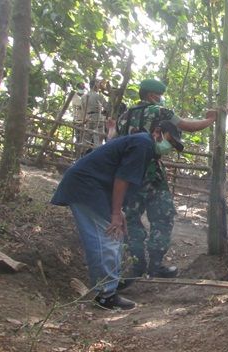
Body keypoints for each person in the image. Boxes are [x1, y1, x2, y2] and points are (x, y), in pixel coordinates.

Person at [51, 121, 184, 310]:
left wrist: (118, 209)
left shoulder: (142, 144)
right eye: (170, 141)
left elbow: (118, 175)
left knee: (115, 236)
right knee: (107, 237)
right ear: (157, 132)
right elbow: (122, 178)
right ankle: (105, 295)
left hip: (92, 187)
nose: (169, 147)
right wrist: (114, 213)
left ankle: (110, 283)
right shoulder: (143, 144)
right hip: (86, 188)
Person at [113, 79, 217, 278]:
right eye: (159, 95)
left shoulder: (124, 117)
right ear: (153, 95)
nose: (161, 99)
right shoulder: (159, 111)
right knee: (162, 216)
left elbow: (115, 142)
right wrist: (210, 120)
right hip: (152, 174)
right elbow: (188, 126)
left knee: (132, 219)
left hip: (128, 176)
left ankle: (136, 263)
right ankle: (156, 264)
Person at [80, 79, 109, 152]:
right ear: (95, 85)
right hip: (97, 118)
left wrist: (85, 118)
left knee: (86, 139)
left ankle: (82, 154)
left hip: (88, 118)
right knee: (98, 139)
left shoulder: (83, 97)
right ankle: (97, 154)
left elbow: (83, 110)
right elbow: (107, 107)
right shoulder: (98, 96)